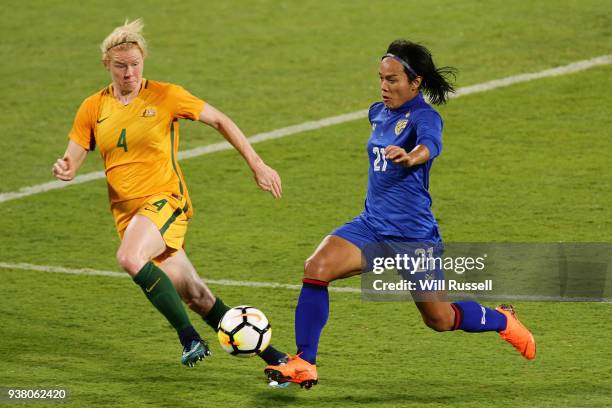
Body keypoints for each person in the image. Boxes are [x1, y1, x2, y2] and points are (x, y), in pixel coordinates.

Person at [264, 39, 536, 389]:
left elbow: (431, 144)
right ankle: (305, 362)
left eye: (392, 79)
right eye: (380, 78)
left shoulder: (425, 116)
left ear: (415, 82)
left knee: (439, 318)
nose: (383, 86)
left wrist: (412, 157)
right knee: (315, 268)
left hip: (413, 237)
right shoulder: (377, 112)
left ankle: (502, 320)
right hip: (371, 226)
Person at [52, 19, 288, 368]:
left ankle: (188, 338)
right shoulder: (93, 107)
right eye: (120, 66)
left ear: (143, 61)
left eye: (134, 64)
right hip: (129, 216)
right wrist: (66, 168)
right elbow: (73, 156)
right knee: (196, 295)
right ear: (107, 65)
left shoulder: (165, 95)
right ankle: (279, 359)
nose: (128, 72)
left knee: (130, 258)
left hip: (165, 201)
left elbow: (220, 119)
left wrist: (256, 162)